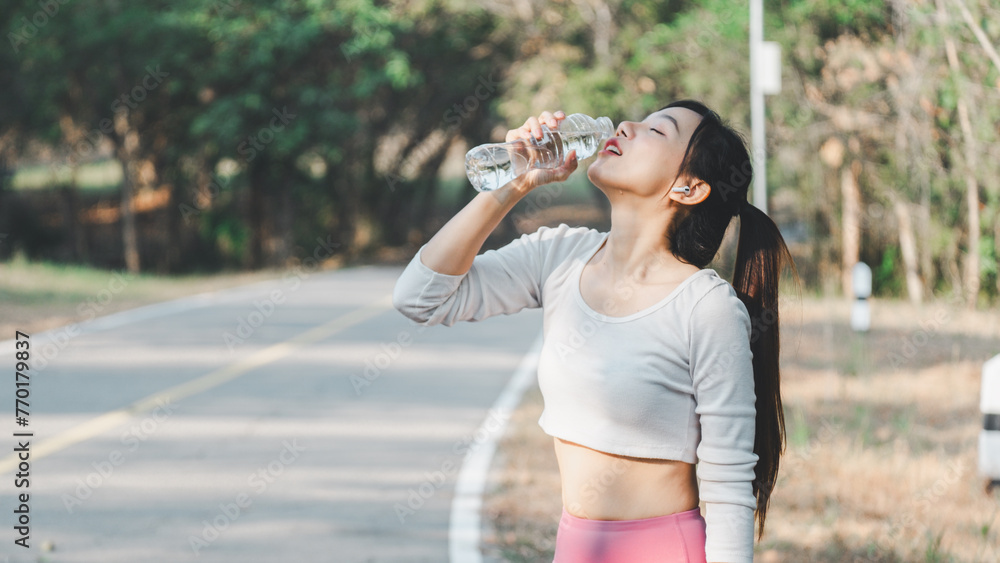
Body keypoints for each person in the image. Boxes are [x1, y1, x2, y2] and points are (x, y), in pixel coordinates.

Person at [392, 101, 796, 563]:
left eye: (656, 131)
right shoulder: (559, 255)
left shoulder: (706, 307)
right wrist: (515, 182)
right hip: (575, 547)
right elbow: (420, 297)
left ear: (689, 187)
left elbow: (727, 484)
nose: (626, 126)